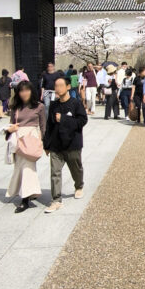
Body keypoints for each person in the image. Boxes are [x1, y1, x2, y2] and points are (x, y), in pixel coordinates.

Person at [43, 76, 88, 213]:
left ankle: (79, 186)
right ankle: (56, 200)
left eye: (61, 86)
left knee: (76, 169)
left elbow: (82, 121)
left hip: (72, 144)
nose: (58, 88)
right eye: (56, 86)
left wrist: (63, 119)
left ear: (68, 87)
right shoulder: (54, 105)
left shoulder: (76, 103)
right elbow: (49, 125)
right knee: (55, 172)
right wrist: (46, 144)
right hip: (56, 145)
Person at [5, 80, 47, 213]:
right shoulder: (15, 107)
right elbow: (11, 124)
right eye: (21, 91)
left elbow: (43, 125)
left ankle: (25, 200)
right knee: (20, 167)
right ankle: (29, 192)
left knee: (28, 167)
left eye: (27, 90)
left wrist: (45, 143)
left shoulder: (39, 106)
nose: (24, 93)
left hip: (31, 138)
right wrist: (9, 130)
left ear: (31, 91)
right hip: (18, 139)